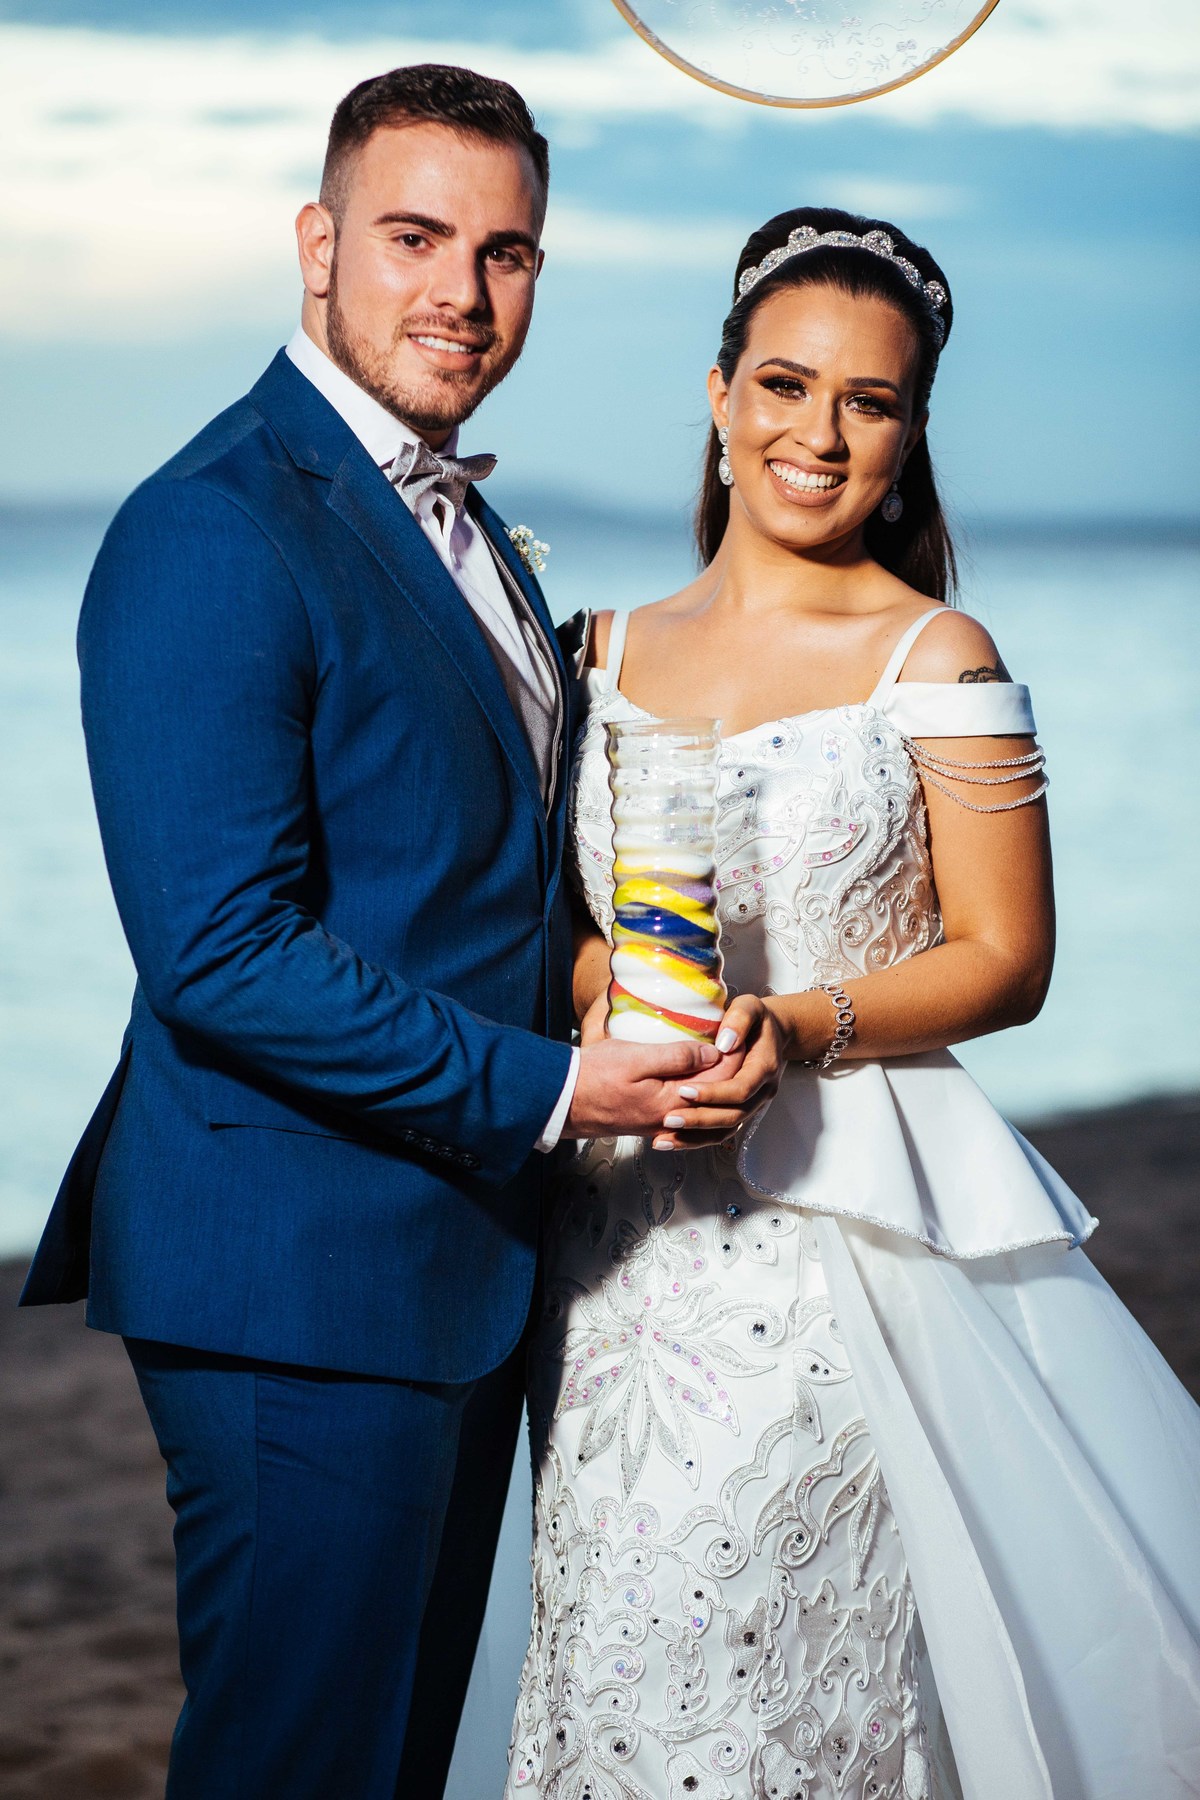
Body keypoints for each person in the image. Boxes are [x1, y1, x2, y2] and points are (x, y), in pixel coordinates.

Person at [18, 65, 762, 1800]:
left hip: (453, 1266)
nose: (463, 292)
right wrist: (566, 1090)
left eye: (507, 253)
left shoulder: (469, 525)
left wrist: (634, 987)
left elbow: (479, 873)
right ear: (317, 244)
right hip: (298, 1276)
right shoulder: (214, 526)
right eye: (415, 238)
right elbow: (221, 950)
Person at [508, 208, 1200, 1799]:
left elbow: (1008, 957)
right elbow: (554, 933)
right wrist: (609, 986)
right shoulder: (592, 653)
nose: (818, 435)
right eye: (785, 385)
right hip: (616, 1254)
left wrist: (798, 1025)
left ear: (909, 435)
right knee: (615, 1660)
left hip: (840, 1252)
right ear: (719, 393)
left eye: (868, 402)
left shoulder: (936, 655)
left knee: (789, 1679)